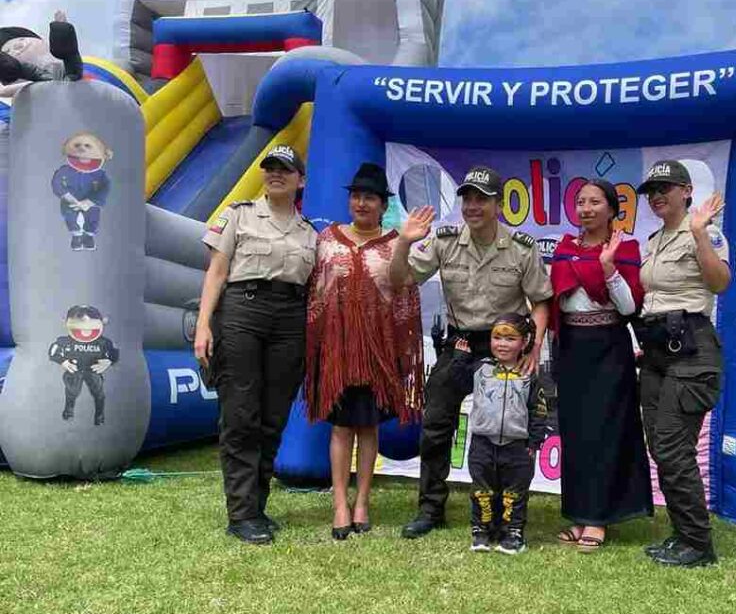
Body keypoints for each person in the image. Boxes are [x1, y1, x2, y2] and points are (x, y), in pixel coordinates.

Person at [389, 165, 553, 539]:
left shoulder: (521, 248)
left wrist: (535, 346)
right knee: (435, 427)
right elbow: (399, 279)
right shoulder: (445, 241)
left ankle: (502, 512)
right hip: (459, 345)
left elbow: (541, 301)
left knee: (506, 432)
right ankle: (431, 509)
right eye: (468, 198)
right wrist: (403, 242)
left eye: (482, 199)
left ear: (498, 204)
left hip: (504, 349)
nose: (473, 206)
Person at [194, 144, 318, 545]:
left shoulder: (311, 234)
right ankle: (242, 513)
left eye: (285, 168)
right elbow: (216, 273)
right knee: (241, 412)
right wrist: (203, 327)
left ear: (301, 180)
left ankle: (257, 506)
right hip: (242, 312)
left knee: (273, 415)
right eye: (270, 167)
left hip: (289, 319)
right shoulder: (238, 214)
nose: (275, 173)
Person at [305, 163, 424, 541]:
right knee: (341, 427)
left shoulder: (392, 243)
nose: (361, 203)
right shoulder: (327, 239)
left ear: (382, 204)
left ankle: (363, 502)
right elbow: (315, 294)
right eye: (356, 196)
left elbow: (401, 286)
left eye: (369, 197)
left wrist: (405, 242)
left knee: (368, 427)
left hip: (377, 351)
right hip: (337, 351)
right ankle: (340, 503)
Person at [635, 160, 730, 568]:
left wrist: (698, 235)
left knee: (673, 447)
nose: (657, 195)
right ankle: (681, 534)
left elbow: (720, 283)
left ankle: (697, 543)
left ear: (686, 191)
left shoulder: (705, 232)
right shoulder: (653, 240)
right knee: (662, 448)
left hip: (691, 351)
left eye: (666, 187)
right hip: (657, 352)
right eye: (652, 190)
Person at [549, 179, 652, 553]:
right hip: (572, 347)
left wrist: (608, 268)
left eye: (595, 202)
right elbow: (556, 301)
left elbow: (628, 308)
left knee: (606, 430)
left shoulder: (626, 249)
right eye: (581, 202)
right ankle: (580, 513)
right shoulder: (564, 249)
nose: (586, 208)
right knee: (576, 432)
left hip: (609, 346)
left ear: (612, 209)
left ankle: (599, 518)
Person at [451, 314, 548, 554]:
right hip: (483, 443)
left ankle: (512, 532)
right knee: (482, 489)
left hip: (517, 446)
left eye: (510, 338)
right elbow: (458, 383)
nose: (502, 344)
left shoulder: (529, 373)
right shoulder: (480, 368)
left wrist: (534, 442)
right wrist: (459, 359)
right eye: (497, 337)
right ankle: (482, 530)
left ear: (524, 342)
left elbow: (539, 410)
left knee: (514, 493)